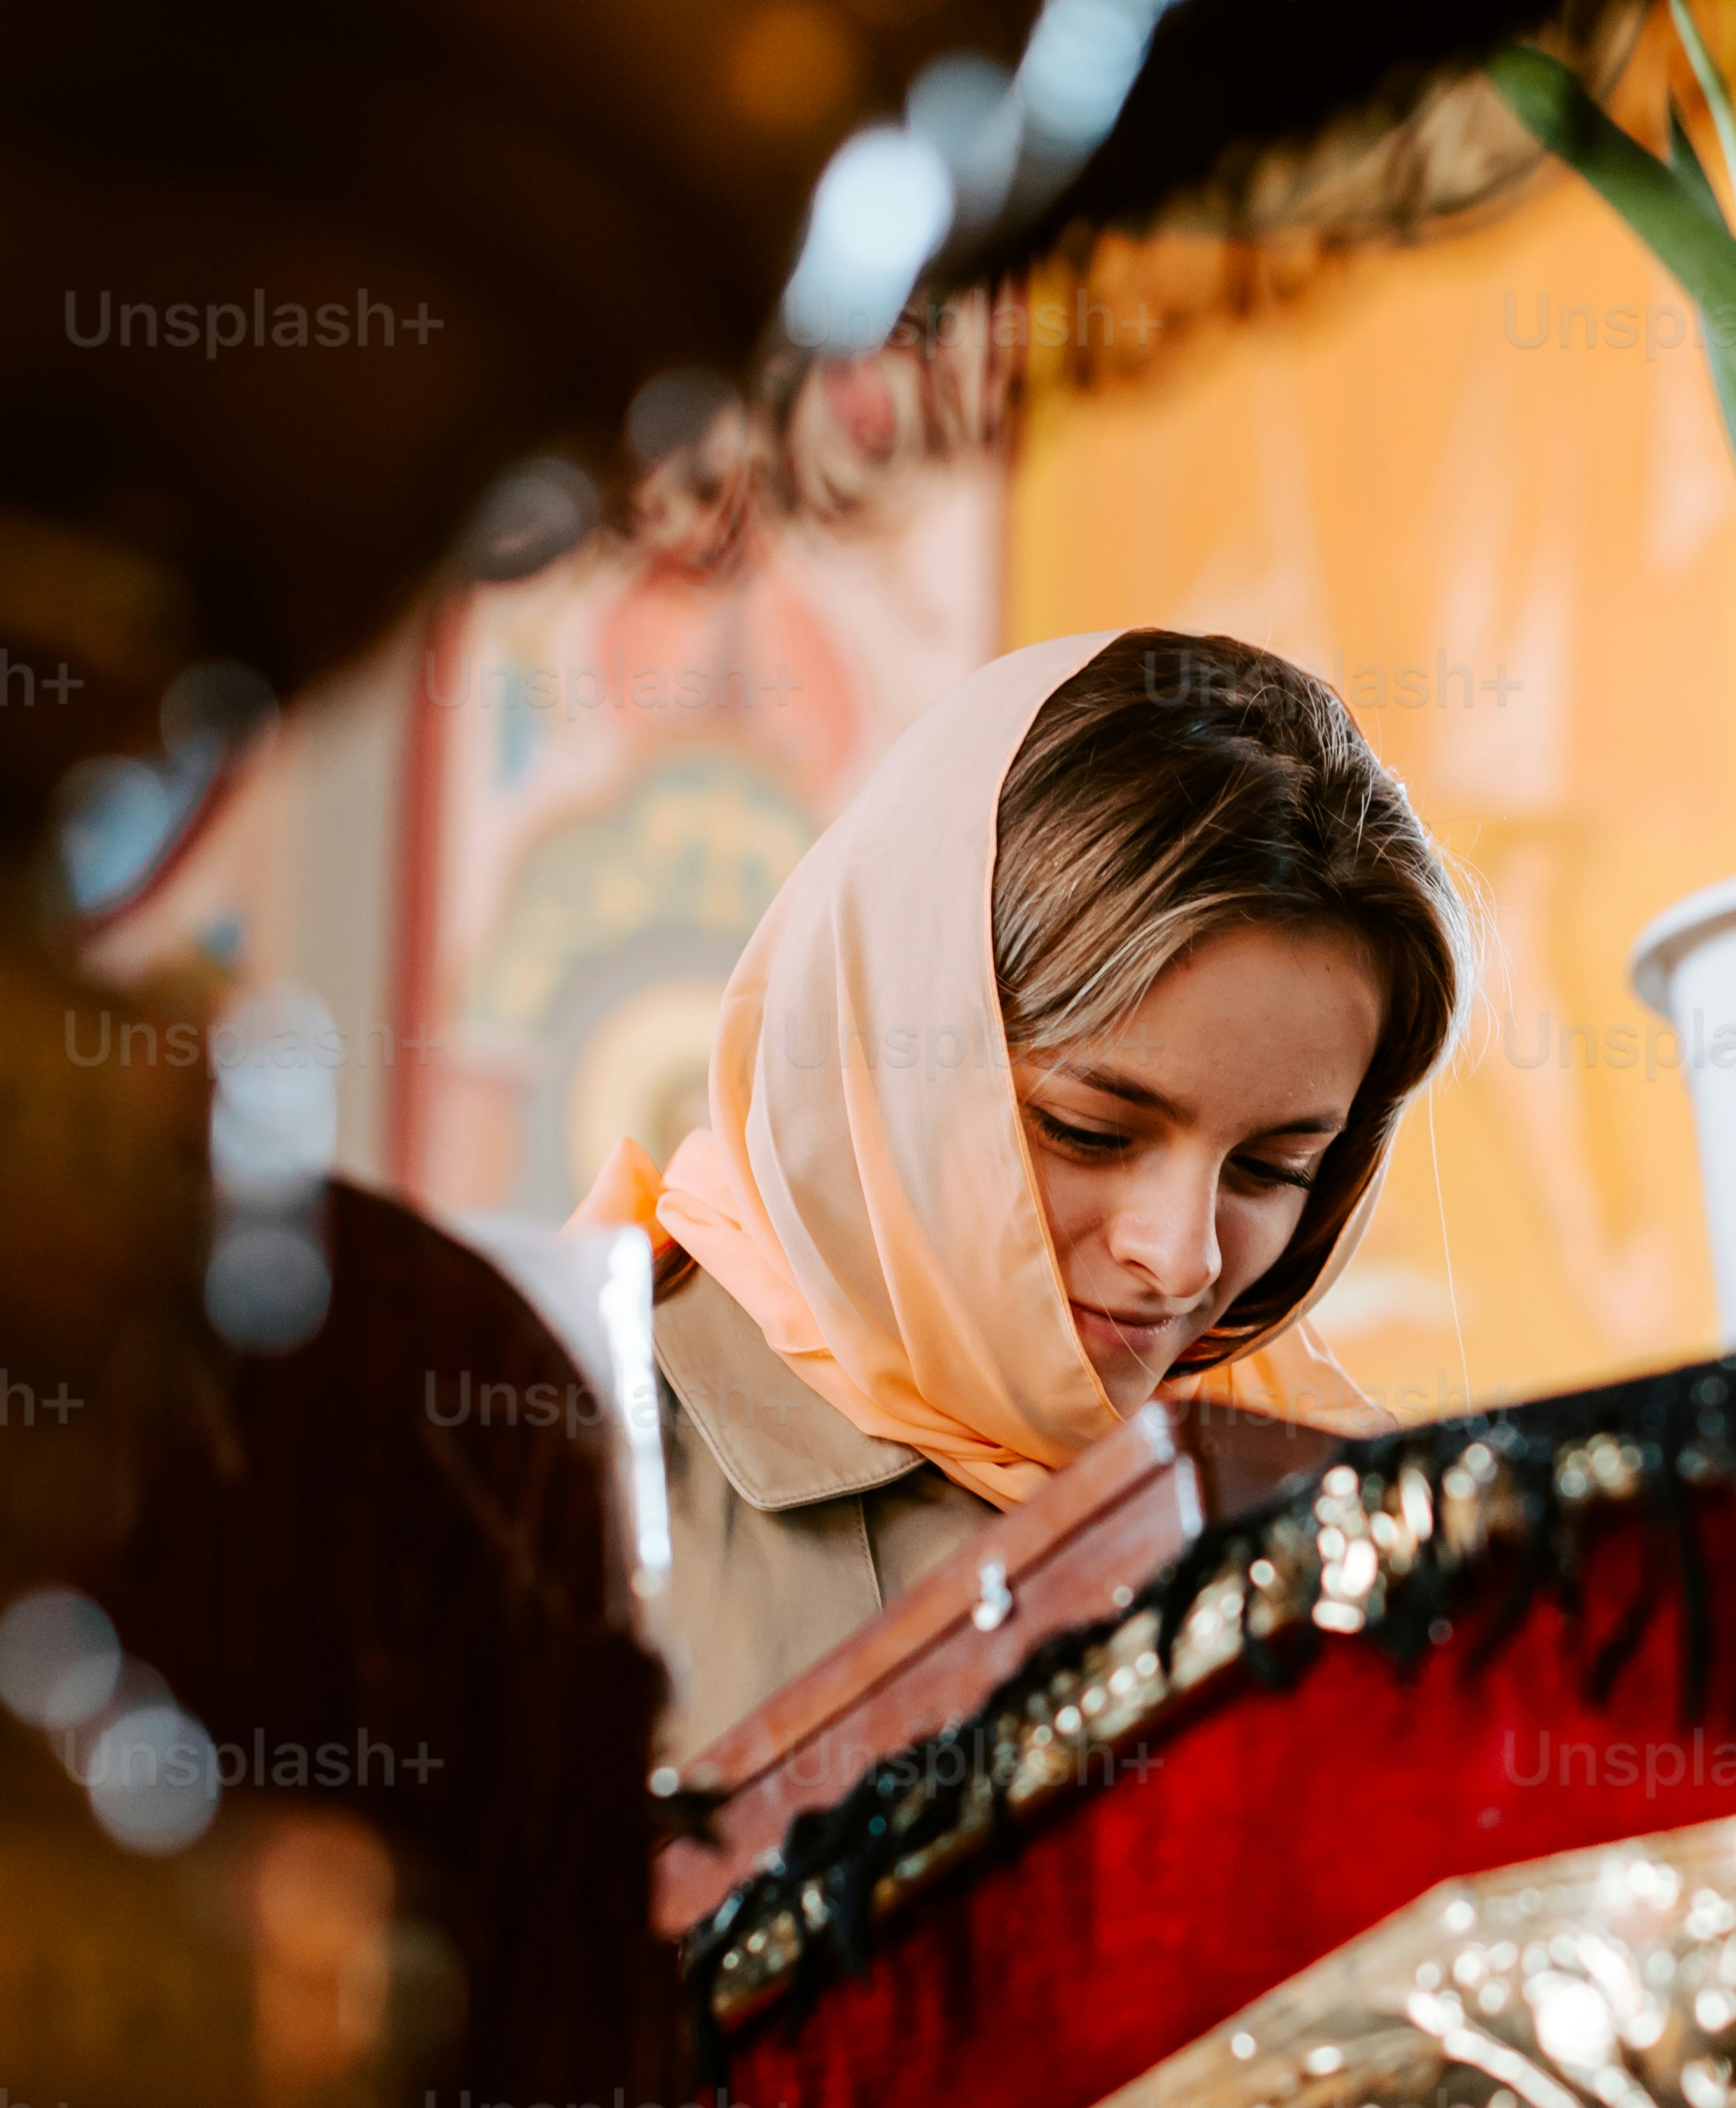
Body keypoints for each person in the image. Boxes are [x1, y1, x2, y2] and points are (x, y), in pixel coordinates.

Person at [576, 628, 1472, 1757]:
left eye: (1272, 1169)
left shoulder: (1349, 1517)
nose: (1185, 1256)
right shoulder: (551, 1477)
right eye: (1088, 1131)